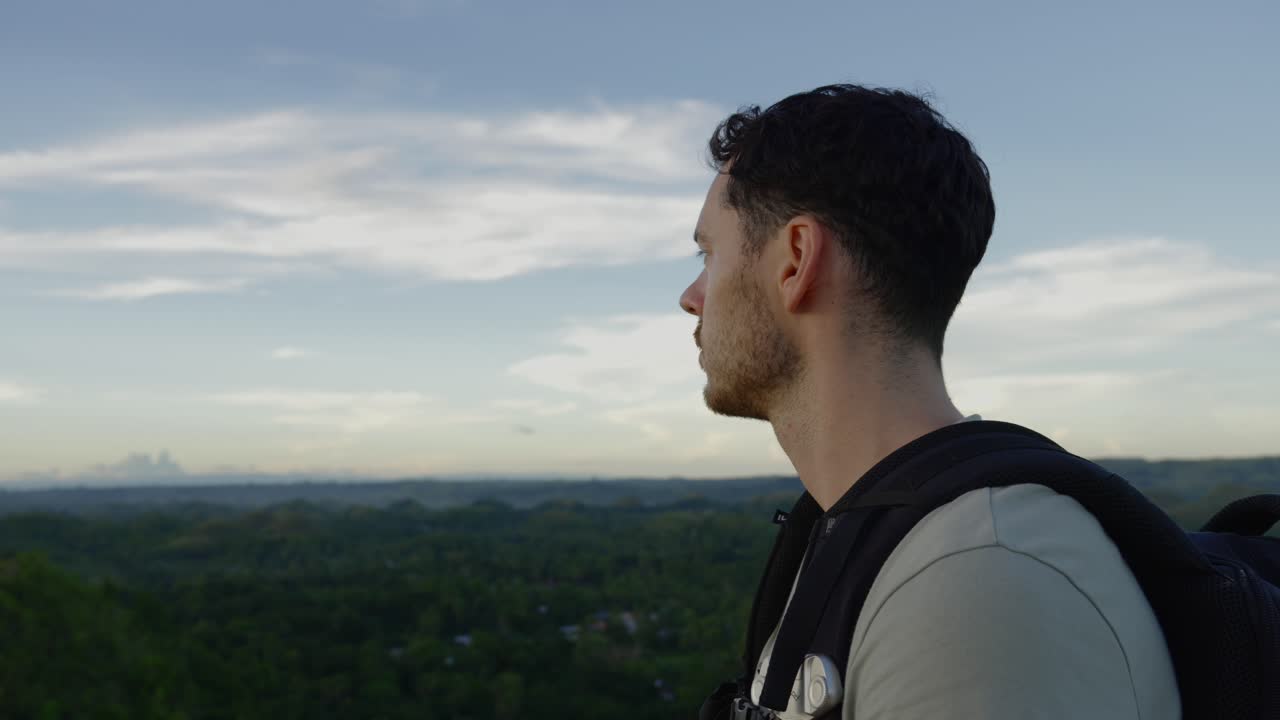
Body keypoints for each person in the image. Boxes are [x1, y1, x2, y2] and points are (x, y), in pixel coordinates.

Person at [679, 85, 1181, 719]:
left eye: (709, 253)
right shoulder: (873, 538)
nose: (692, 296)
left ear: (796, 261)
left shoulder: (979, 577)